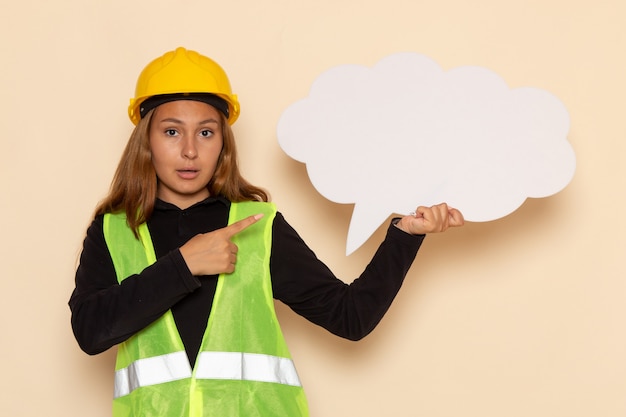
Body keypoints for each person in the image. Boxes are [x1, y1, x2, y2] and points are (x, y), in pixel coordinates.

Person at [69, 46, 464, 417]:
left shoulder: (259, 226)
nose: (190, 150)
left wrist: (405, 235)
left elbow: (351, 318)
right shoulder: (113, 231)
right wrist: (183, 266)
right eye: (172, 132)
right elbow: (89, 333)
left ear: (223, 143)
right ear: (146, 142)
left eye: (206, 132)